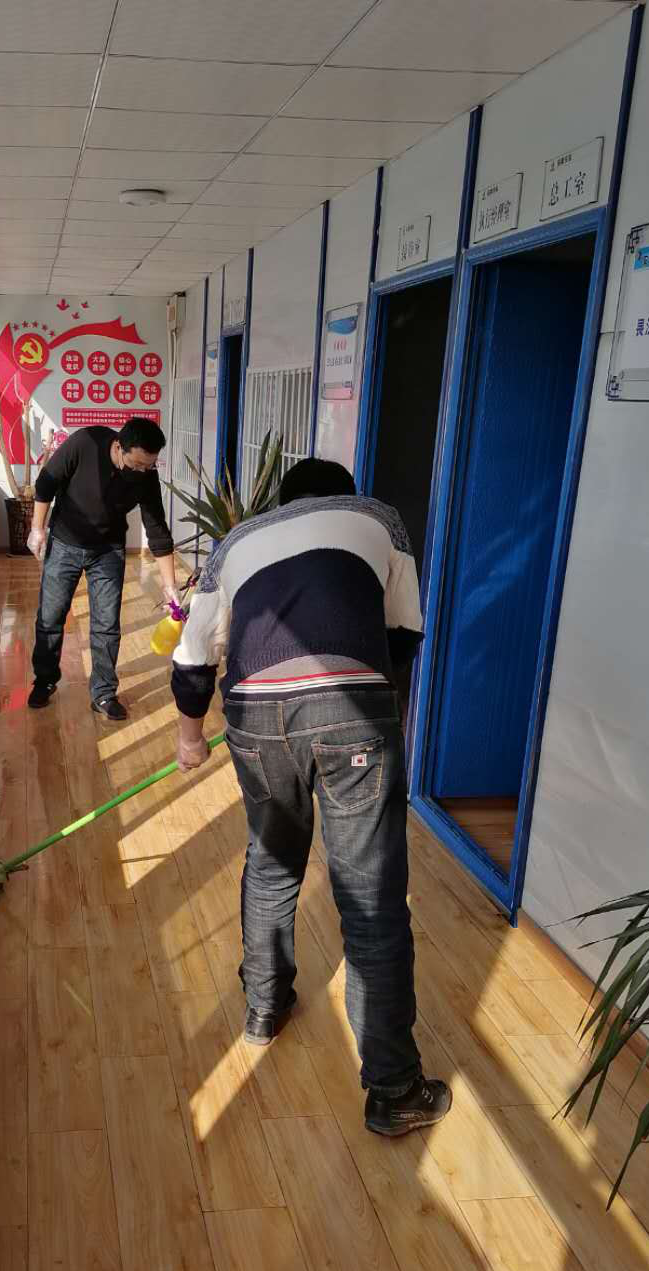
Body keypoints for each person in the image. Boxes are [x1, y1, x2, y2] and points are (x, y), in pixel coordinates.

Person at [170, 458, 451, 1137]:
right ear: (344, 497)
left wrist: (189, 738)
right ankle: (394, 1089)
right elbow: (403, 633)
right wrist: (375, 714)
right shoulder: (378, 519)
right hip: (353, 708)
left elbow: (193, 654)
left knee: (271, 863)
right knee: (370, 896)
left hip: (254, 712)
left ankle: (264, 1008)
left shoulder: (236, 542)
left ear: (281, 503)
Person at [26, 418, 181, 721]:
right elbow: (46, 482)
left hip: (108, 550)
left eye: (149, 466)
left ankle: (103, 693)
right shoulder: (85, 442)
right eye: (137, 464)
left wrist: (169, 585)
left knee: (106, 624)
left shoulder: (146, 477)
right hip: (65, 543)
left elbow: (158, 532)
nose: (142, 471)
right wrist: (37, 529)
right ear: (119, 447)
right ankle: (44, 680)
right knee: (50, 616)